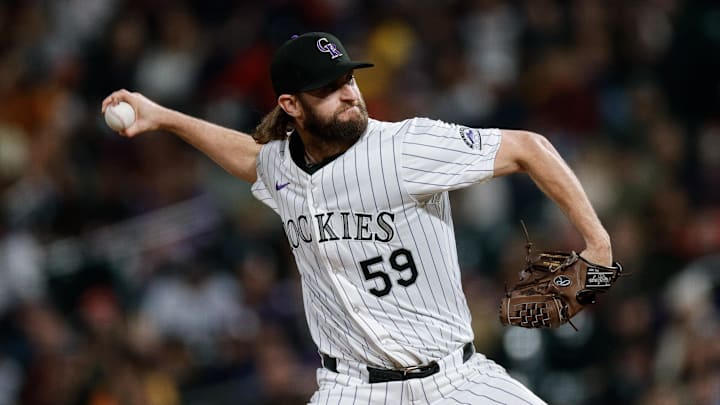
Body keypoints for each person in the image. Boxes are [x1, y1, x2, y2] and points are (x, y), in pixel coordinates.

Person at [103, 32, 613, 404]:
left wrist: (598, 244)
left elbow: (530, 147)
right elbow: (250, 158)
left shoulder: (403, 147)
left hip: (456, 381)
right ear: (291, 105)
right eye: (330, 87)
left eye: (349, 78)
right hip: (351, 390)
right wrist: (164, 116)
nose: (350, 93)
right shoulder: (281, 165)